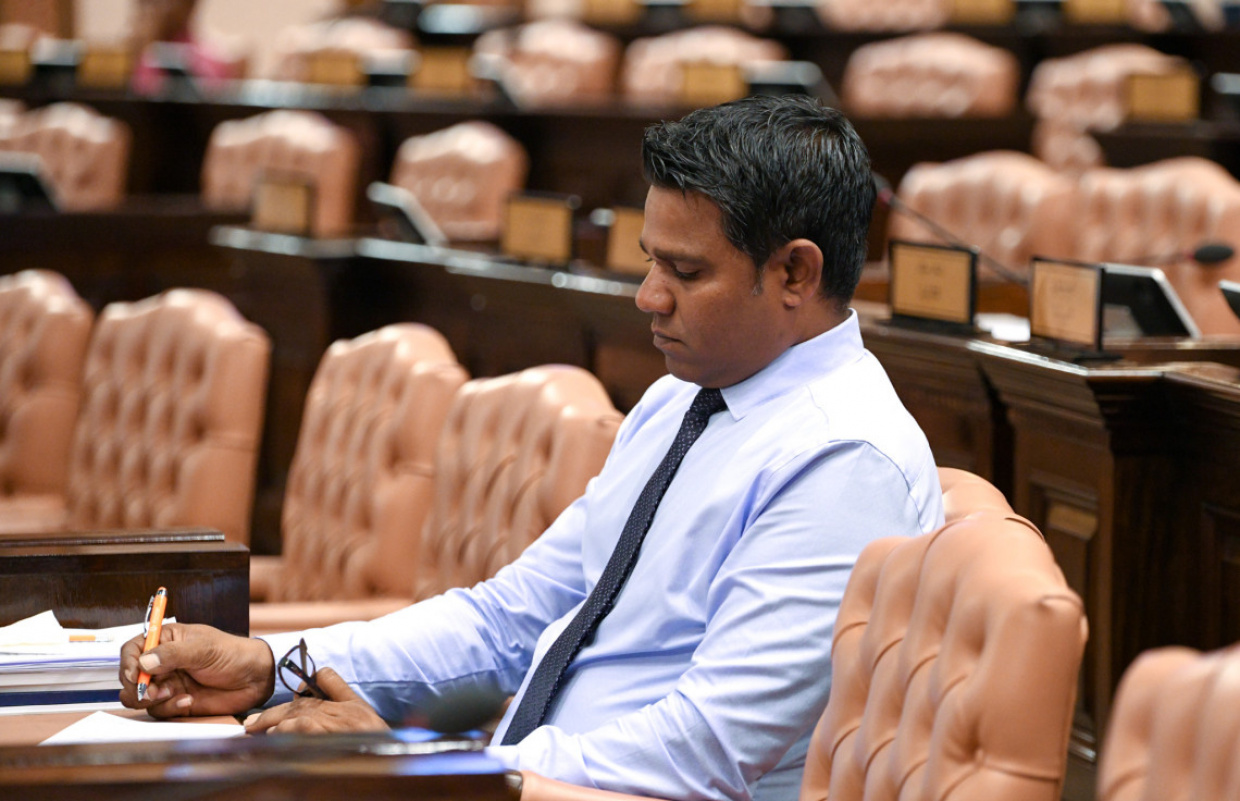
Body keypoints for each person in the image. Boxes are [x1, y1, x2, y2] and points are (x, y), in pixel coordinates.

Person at [119, 95, 943, 801]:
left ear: (796, 273)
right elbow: (509, 619)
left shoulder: (843, 461)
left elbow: (706, 747)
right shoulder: (683, 399)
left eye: (686, 272)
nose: (647, 297)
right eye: (651, 261)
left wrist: (433, 764)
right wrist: (273, 665)